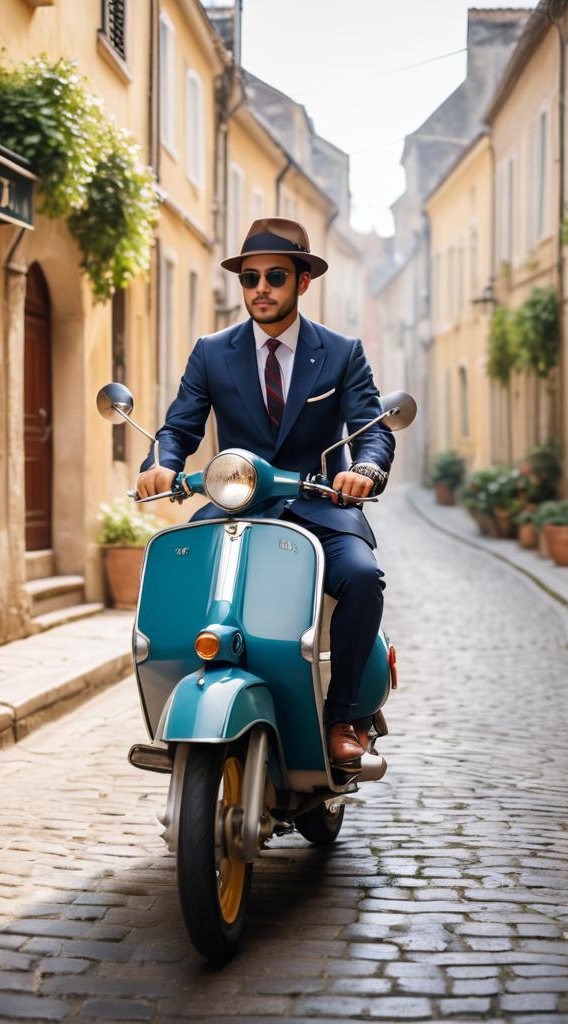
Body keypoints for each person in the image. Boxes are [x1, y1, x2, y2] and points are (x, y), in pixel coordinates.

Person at [136, 218, 394, 768]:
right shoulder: (211, 352)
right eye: (249, 277)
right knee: (180, 571)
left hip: (320, 503)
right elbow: (180, 425)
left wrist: (366, 471)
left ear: (302, 282)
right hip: (236, 503)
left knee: (362, 577)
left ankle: (342, 717)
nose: (260, 288)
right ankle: (187, 700)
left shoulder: (342, 353)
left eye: (275, 276)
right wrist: (162, 464)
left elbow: (370, 430)